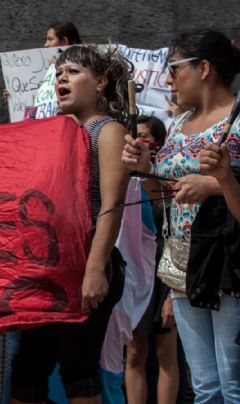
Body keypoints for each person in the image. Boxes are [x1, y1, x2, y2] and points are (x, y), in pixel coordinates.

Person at [122, 30, 240, 402]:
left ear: (204, 68)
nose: (168, 80)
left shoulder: (237, 121)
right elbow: (166, 201)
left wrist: (216, 183)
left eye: (174, 68)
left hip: (227, 267)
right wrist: (146, 171)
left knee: (233, 383)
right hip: (182, 267)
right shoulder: (175, 125)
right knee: (205, 386)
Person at [10, 45, 131, 404]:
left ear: (101, 82)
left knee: (78, 369)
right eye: (59, 72)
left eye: (74, 71)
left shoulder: (107, 131)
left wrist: (94, 270)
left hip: (86, 261)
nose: (62, 77)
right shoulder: (52, 132)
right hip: (47, 266)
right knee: (28, 369)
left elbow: (111, 205)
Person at [124, 116, 180, 404]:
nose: (139, 142)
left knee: (166, 352)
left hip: (164, 272)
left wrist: (172, 291)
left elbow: (171, 228)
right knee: (134, 353)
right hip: (137, 274)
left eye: (146, 137)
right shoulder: (124, 181)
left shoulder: (166, 180)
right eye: (135, 136)